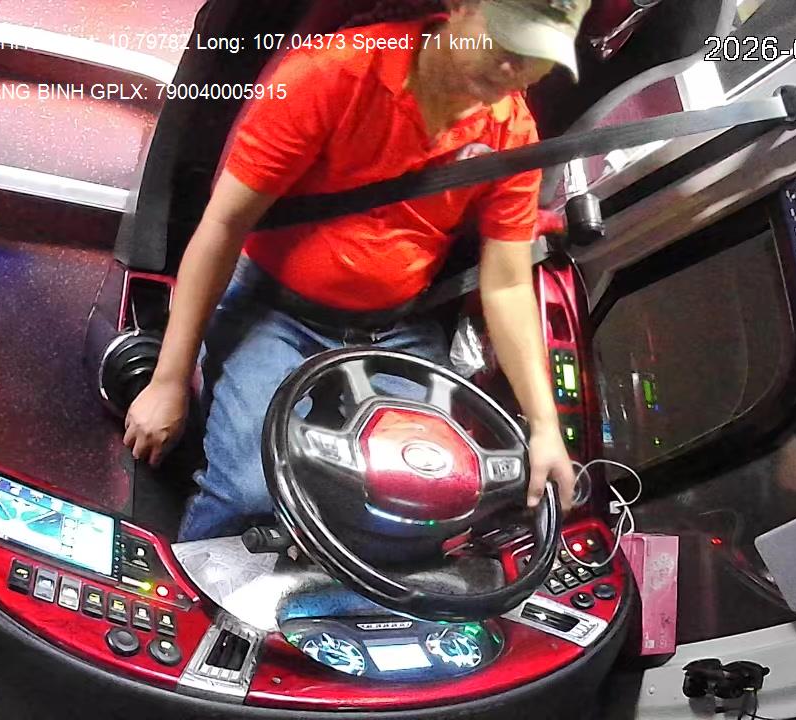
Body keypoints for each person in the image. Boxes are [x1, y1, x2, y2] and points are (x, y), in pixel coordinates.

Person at [123, 0, 592, 542]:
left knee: (423, 498)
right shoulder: (331, 73)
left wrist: (545, 427)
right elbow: (223, 226)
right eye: (504, 40)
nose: (514, 67)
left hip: (395, 326)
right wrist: (168, 381)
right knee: (250, 492)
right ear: (460, 7)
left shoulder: (512, 134)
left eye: (536, 55)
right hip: (276, 310)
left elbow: (507, 284)